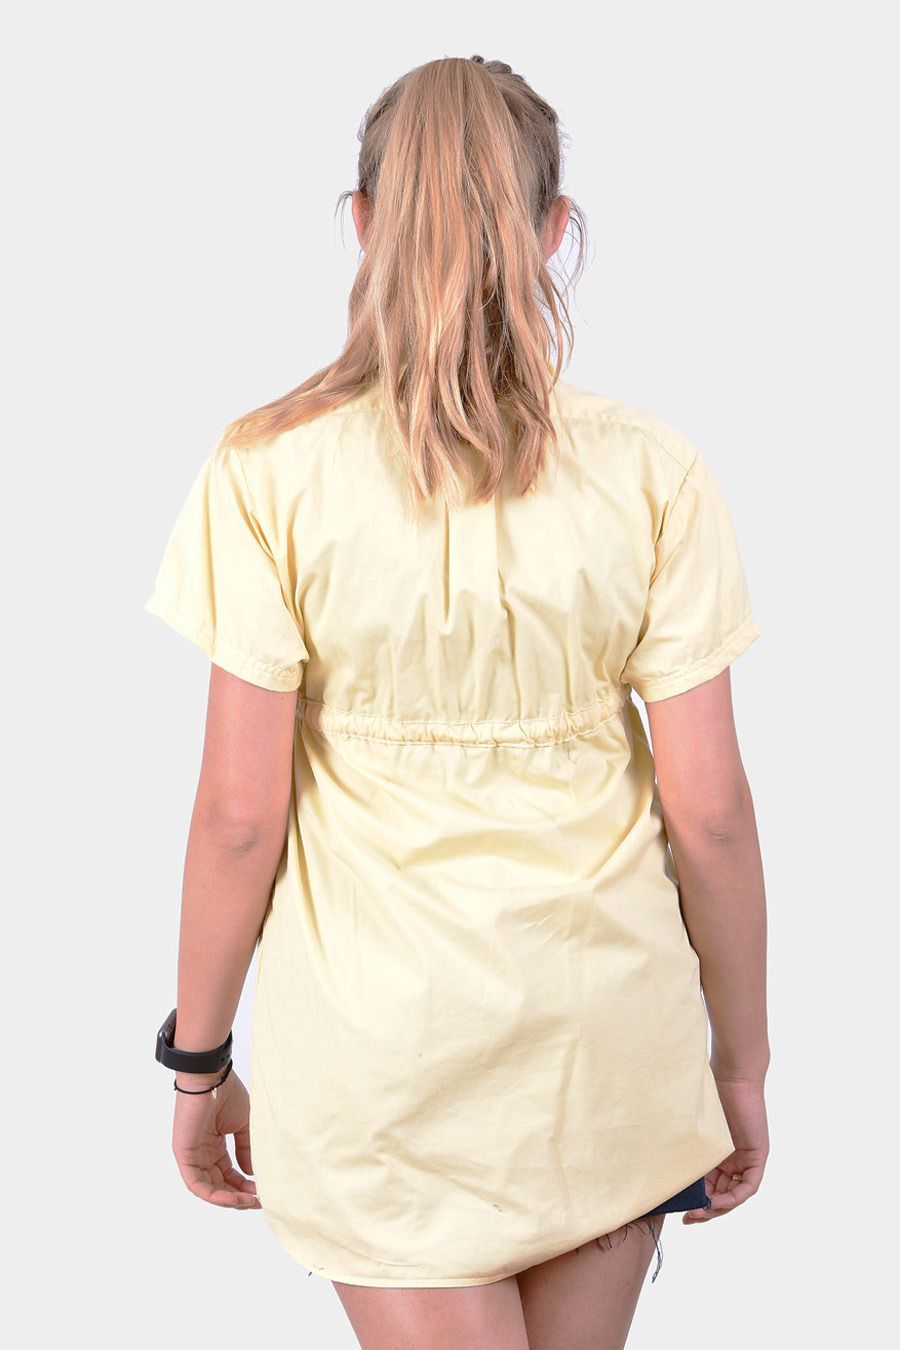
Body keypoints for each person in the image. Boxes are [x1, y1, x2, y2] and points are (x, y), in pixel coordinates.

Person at [146, 54, 770, 1350]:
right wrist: (739, 1062)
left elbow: (238, 817)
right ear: (553, 229)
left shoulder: (268, 470)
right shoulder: (653, 470)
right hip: (605, 1046)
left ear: (364, 222)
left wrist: (198, 1065)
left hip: (382, 1061)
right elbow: (709, 811)